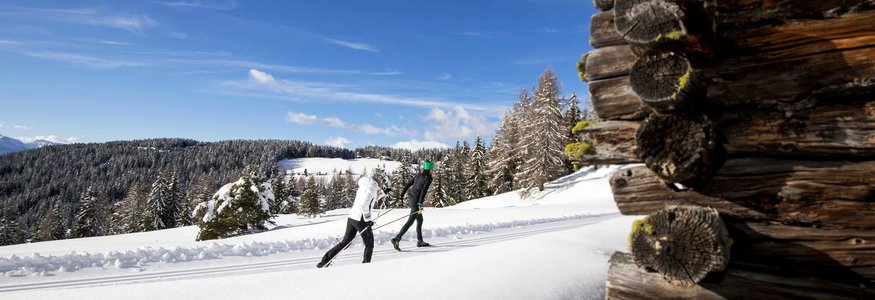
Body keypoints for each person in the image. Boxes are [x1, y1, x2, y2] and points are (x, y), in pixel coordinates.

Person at [317, 171, 385, 268]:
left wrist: (383, 193)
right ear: (378, 179)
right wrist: (368, 220)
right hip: (361, 219)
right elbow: (365, 204)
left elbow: (373, 197)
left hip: (352, 217)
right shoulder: (372, 188)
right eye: (381, 180)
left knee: (345, 242)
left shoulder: (365, 185)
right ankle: (366, 267)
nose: (382, 182)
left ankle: (325, 261)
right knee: (369, 244)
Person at [391, 160, 434, 251]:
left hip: (411, 199)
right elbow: (423, 191)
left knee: (420, 220)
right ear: (430, 168)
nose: (433, 170)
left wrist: (402, 194)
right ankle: (397, 238)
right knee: (410, 221)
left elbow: (408, 184)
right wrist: (420, 203)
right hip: (416, 202)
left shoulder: (418, 175)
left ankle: (420, 241)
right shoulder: (429, 178)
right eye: (432, 168)